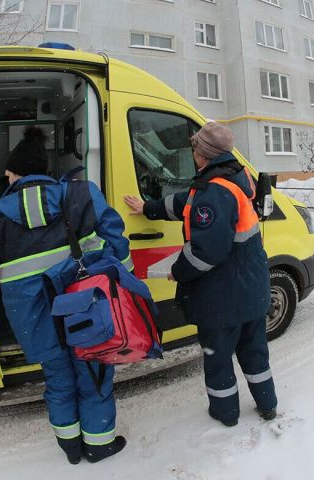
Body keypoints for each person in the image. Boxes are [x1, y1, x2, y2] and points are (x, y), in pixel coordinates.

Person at [0, 130, 132, 464]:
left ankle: (70, 447)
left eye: (9, 173)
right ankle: (99, 443)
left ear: (15, 174)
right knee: (93, 371)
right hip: (86, 305)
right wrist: (121, 280)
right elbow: (115, 239)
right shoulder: (82, 194)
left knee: (58, 379)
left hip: (34, 316)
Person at [124, 122, 277, 427]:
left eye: (194, 147)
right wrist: (149, 207)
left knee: (218, 359)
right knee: (255, 353)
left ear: (202, 153)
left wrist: (179, 272)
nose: (192, 151)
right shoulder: (235, 176)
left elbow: (207, 251)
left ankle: (225, 413)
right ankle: (268, 404)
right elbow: (187, 203)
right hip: (251, 288)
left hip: (223, 298)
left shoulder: (213, 190)